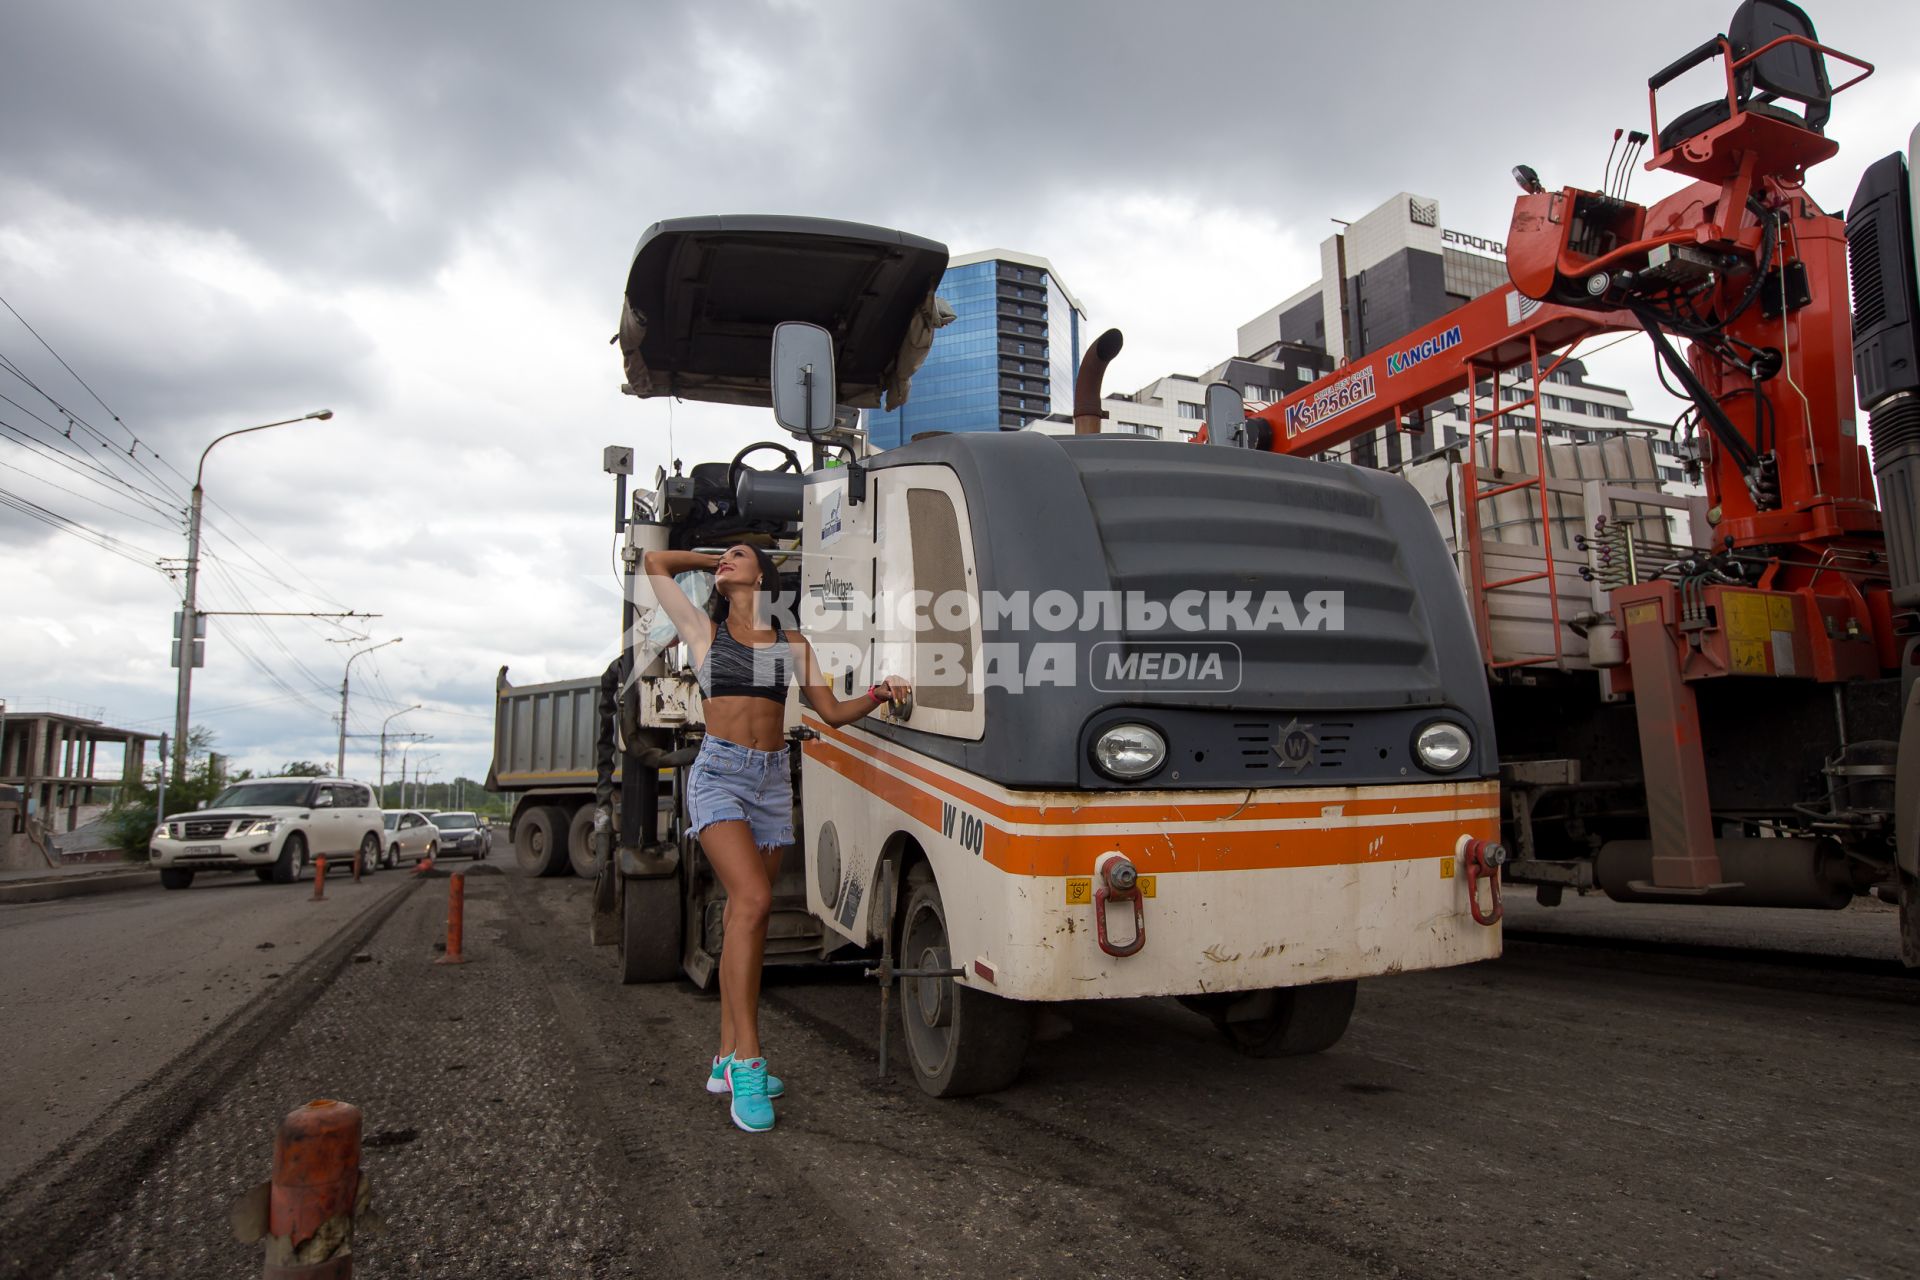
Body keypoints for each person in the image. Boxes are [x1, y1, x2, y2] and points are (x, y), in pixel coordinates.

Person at [643, 543, 909, 1133]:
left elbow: (832, 713)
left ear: (763, 574)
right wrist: (709, 552)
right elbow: (654, 564)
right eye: (723, 561)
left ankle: (723, 1059)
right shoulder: (705, 631)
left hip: (768, 784)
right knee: (755, 902)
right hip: (717, 777)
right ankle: (749, 1063)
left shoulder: (791, 646)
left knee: (751, 921)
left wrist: (879, 695)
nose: (725, 564)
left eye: (739, 556)